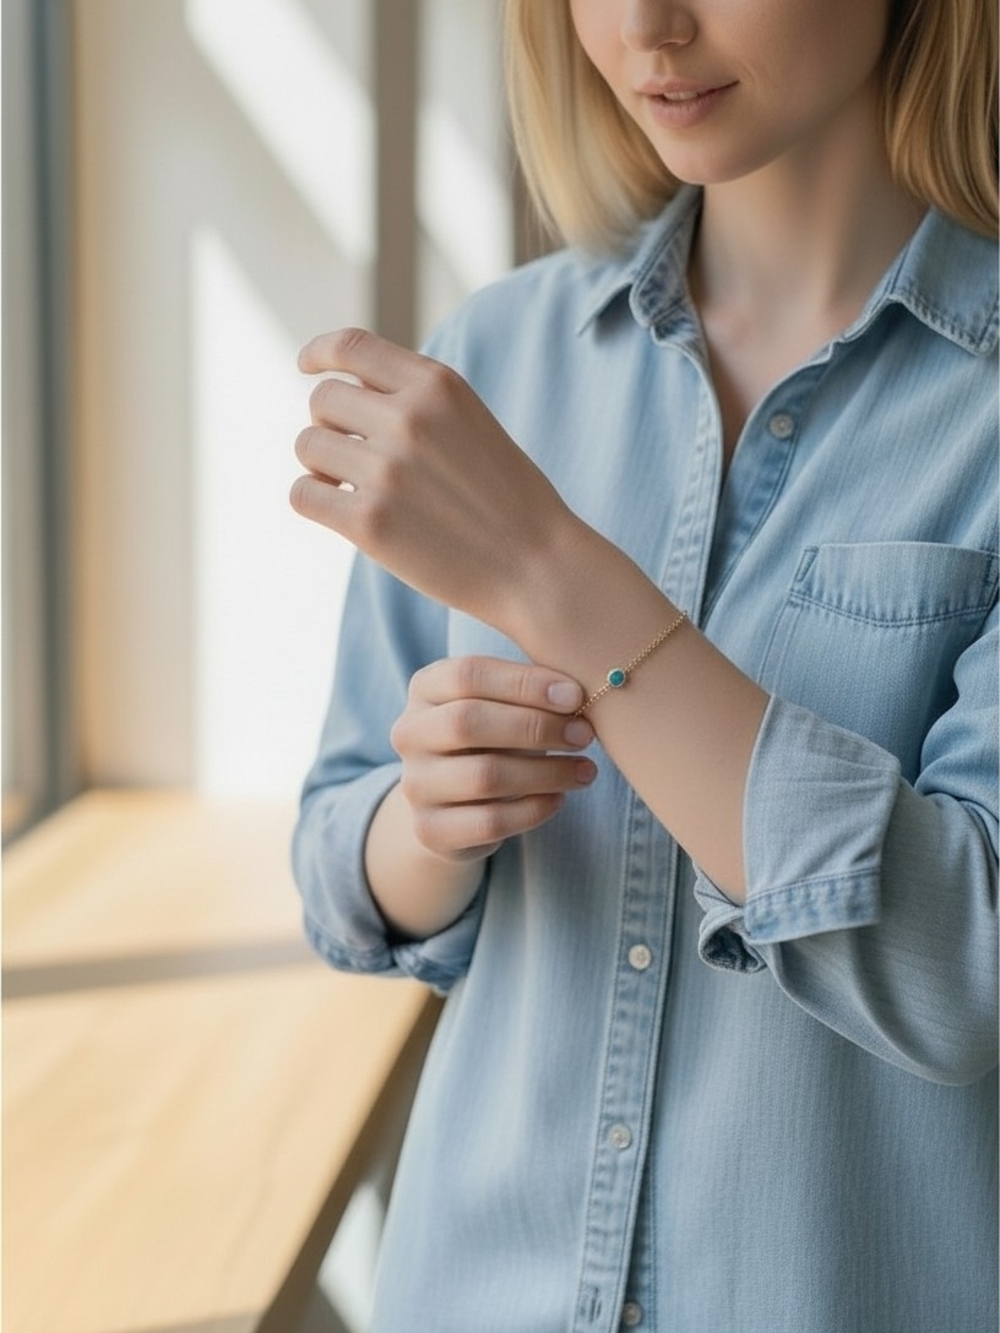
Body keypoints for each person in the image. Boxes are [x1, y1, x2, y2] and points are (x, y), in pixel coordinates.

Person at [289, 0, 998, 1328]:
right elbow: (338, 849)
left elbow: (968, 965)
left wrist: (549, 575)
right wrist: (427, 827)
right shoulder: (494, 356)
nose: (646, 25)